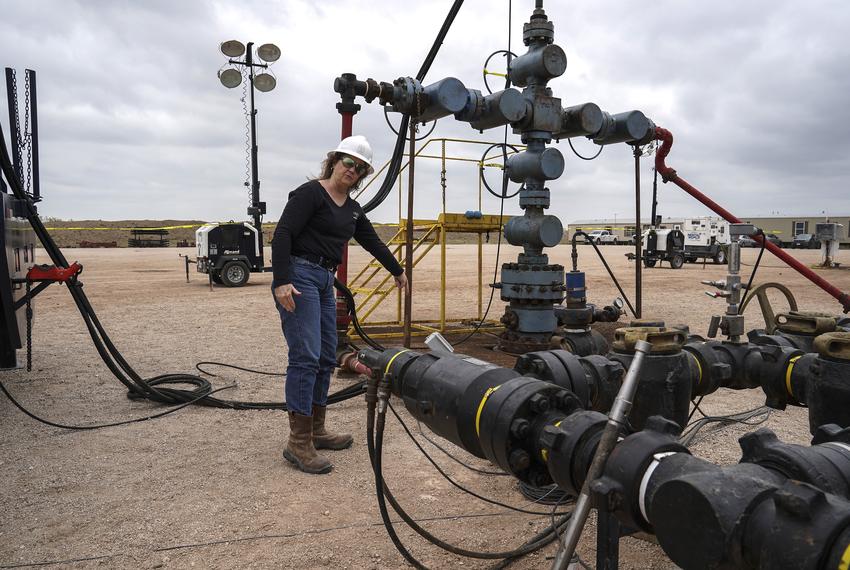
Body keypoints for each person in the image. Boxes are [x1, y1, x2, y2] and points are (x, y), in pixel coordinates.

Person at [271, 135, 407, 474]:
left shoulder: (353, 209)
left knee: (325, 355)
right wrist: (281, 280)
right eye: (349, 163)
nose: (353, 171)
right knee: (305, 355)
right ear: (334, 160)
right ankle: (298, 442)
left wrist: (397, 270)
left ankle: (316, 430)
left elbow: (372, 241)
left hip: (324, 280)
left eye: (360, 169)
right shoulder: (310, 194)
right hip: (299, 276)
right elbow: (283, 233)